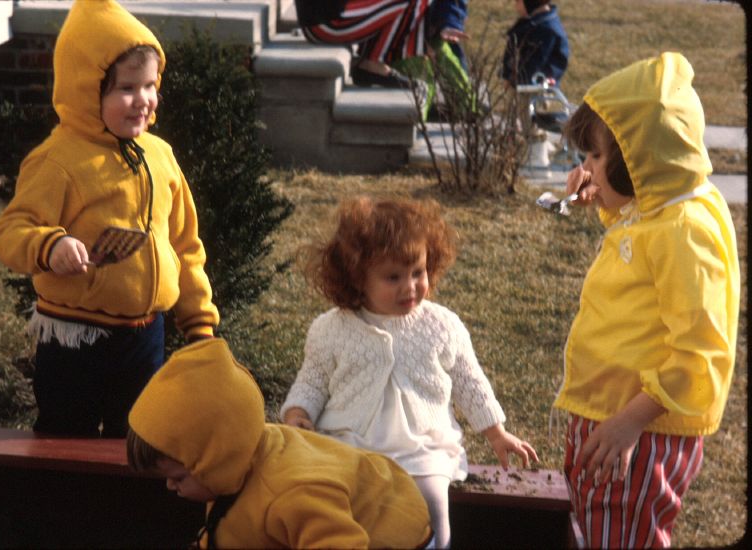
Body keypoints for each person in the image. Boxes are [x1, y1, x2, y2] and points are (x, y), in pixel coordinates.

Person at [0, 0, 218, 438]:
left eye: (151, 85)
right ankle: (62, 505)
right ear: (87, 89)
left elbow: (185, 245)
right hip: (75, 335)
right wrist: (50, 245)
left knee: (138, 436)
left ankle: (121, 506)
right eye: (127, 89)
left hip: (144, 333)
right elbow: (10, 232)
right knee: (65, 436)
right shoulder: (59, 161)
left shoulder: (160, 156)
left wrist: (199, 321)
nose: (144, 101)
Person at [553, 52, 740, 548]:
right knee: (591, 528)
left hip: (639, 429)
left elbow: (702, 351)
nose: (585, 167)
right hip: (614, 415)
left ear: (640, 158)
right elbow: (642, 245)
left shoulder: (685, 232)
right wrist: (608, 204)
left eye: (595, 156)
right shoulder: (665, 203)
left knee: (617, 534)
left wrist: (630, 422)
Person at [280, 196, 538, 548]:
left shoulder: (441, 325)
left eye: (418, 272)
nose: (411, 286)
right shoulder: (331, 329)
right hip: (349, 444)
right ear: (357, 278)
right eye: (393, 277)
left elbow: (469, 381)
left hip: (421, 447)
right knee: (341, 505)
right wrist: (298, 413)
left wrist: (496, 433)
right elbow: (312, 381)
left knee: (433, 501)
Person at [127, 338, 433, 549]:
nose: (170, 486)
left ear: (214, 459)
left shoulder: (292, 494)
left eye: (178, 477)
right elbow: (226, 523)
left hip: (391, 534)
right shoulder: (235, 463)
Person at [294, 0, 469, 90]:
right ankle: (373, 64)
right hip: (326, 23)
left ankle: (376, 61)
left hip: (322, 22)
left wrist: (449, 23)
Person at [502, 0, 569, 88]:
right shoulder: (530, 24)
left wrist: (515, 80)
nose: (516, 7)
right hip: (521, 86)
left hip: (535, 90)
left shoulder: (546, 30)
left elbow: (534, 64)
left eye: (518, 2)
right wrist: (507, 75)